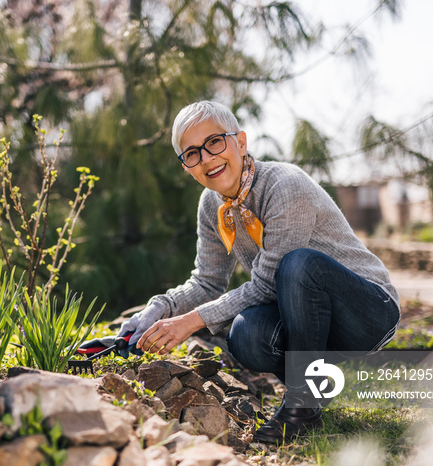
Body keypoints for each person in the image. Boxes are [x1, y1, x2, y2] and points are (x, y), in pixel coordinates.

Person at [116, 100, 401, 443]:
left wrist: (190, 322)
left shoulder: (285, 185)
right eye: (192, 153)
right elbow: (207, 281)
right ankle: (314, 388)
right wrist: (160, 307)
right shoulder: (211, 205)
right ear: (186, 167)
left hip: (367, 312)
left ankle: (301, 408)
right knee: (245, 334)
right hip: (309, 319)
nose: (206, 158)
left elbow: (267, 284)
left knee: (298, 264)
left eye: (214, 142)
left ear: (240, 142)